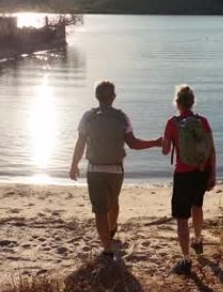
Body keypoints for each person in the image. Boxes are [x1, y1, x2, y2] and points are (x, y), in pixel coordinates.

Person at [69, 80, 162, 260]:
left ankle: (107, 249)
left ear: (97, 96)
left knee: (100, 210)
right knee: (113, 202)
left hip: (95, 169)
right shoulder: (121, 117)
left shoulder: (87, 117)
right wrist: (155, 142)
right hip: (116, 170)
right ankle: (111, 229)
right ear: (113, 97)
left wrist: (74, 165)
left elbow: (80, 144)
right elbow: (133, 144)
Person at [162, 85, 216, 275]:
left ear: (177, 103)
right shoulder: (202, 121)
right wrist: (212, 174)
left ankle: (186, 259)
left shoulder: (172, 123)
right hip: (201, 172)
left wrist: (163, 142)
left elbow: (166, 150)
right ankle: (198, 239)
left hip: (183, 174)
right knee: (197, 206)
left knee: (182, 218)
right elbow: (211, 149)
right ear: (192, 102)